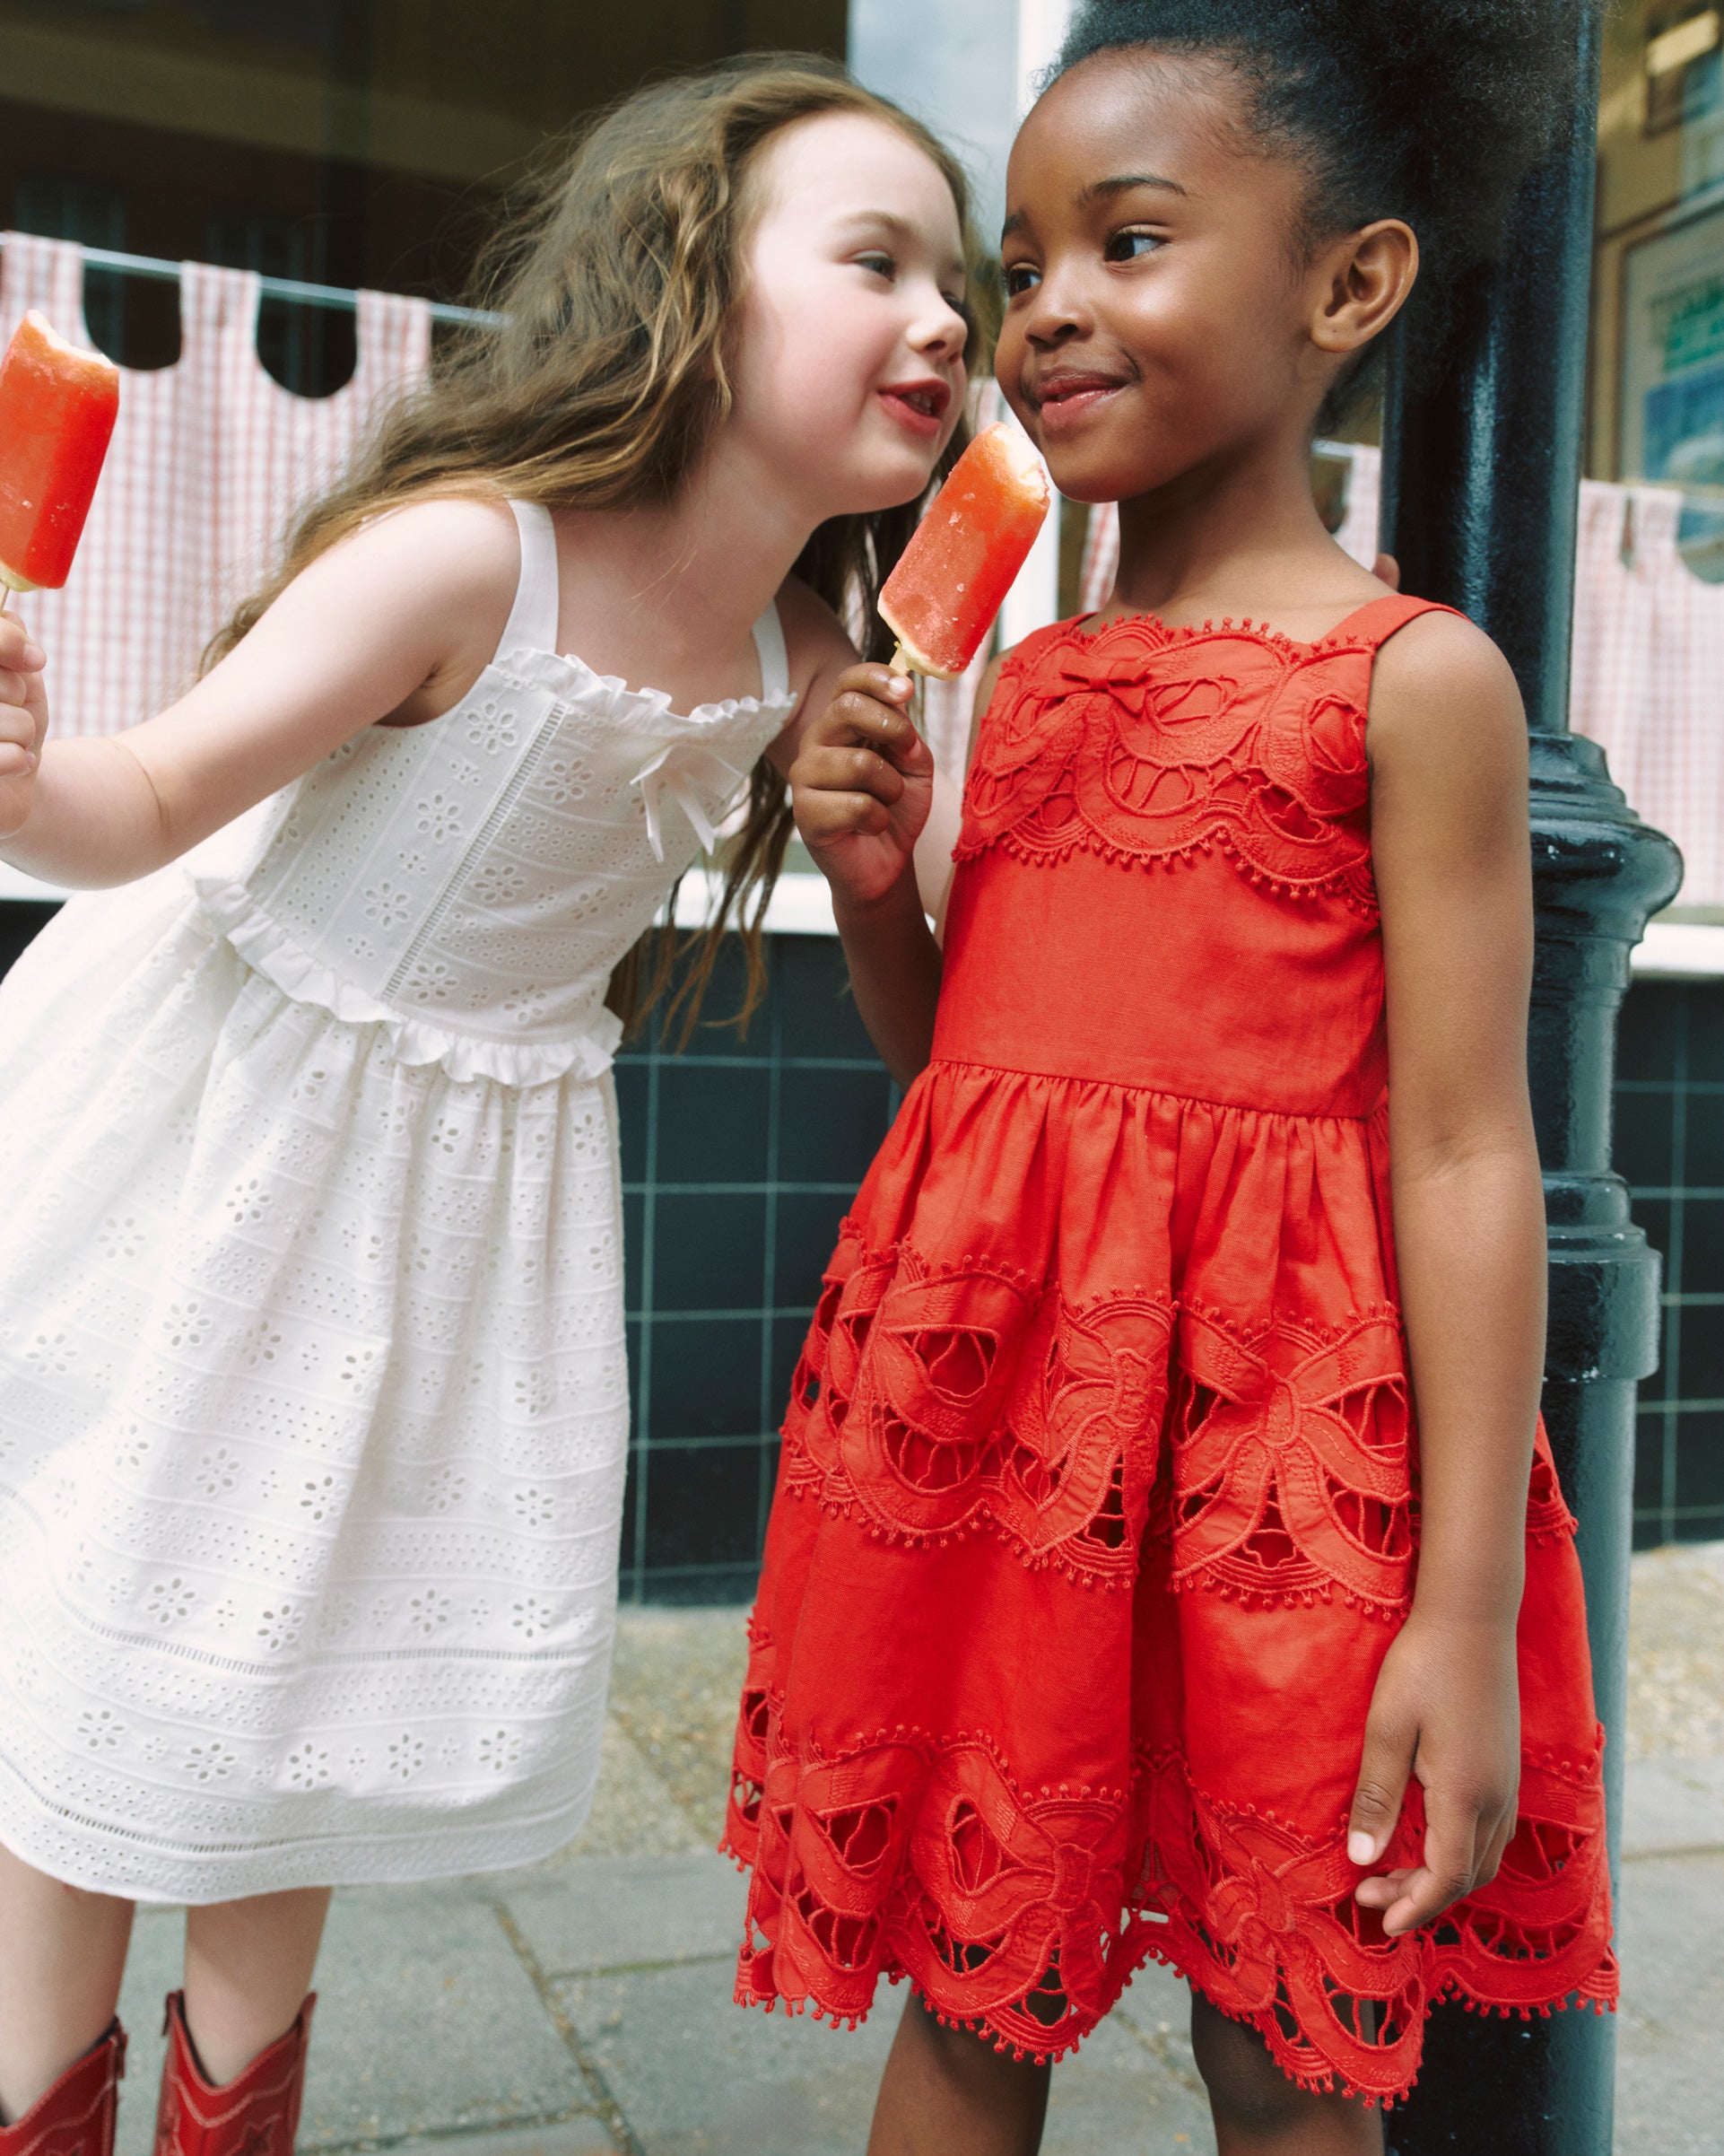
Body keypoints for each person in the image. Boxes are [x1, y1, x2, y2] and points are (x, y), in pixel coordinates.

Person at [0, 55, 979, 2156]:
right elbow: (143, 801)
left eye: (956, 282)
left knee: (297, 1680)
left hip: (450, 1212)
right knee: (109, 1658)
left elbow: (925, 1024)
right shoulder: (464, 560)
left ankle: (231, 2117)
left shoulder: (815, 656)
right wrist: (15, 771)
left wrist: (873, 858)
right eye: (878, 261)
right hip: (221, 1133)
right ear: (696, 287)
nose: (948, 319)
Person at [725, 5, 1616, 2152]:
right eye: (1022, 263)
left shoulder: (1412, 682)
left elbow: (1466, 1144)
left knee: (1280, 2030)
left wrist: (1465, 1606)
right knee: (969, 1987)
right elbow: (967, 1075)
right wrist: (872, 884)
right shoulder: (1030, 678)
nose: (1041, 312)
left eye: (1125, 243)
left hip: (1274, 1461)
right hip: (1009, 1434)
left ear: (1349, 284)